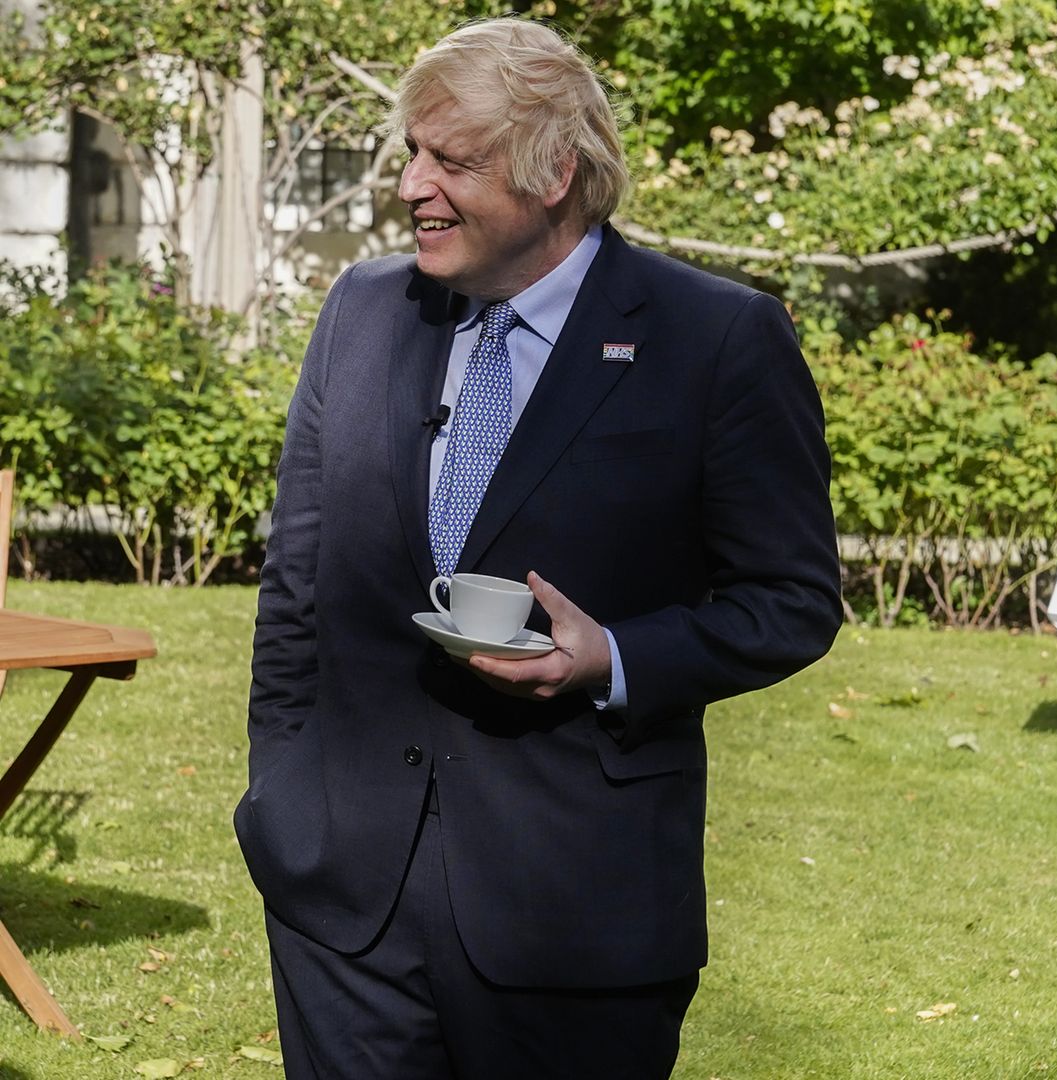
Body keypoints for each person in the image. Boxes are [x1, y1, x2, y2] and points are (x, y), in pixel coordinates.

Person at [234, 17, 841, 1078]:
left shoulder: (717, 339)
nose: (413, 186)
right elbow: (297, 580)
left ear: (555, 172)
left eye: (452, 160)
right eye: (412, 153)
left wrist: (610, 657)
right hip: (341, 899)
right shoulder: (364, 310)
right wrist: (282, 802)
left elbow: (791, 601)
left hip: (578, 910)